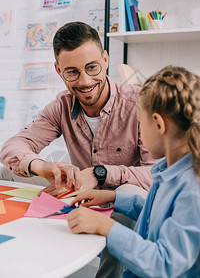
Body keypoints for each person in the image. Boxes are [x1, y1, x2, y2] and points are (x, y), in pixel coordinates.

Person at [0, 21, 154, 278]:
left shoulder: (138, 103)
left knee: (127, 195)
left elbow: (157, 174)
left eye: (92, 67)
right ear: (59, 70)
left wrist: (101, 173)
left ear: (105, 59)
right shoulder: (62, 105)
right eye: (72, 72)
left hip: (125, 196)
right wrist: (42, 166)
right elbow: (12, 146)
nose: (85, 81)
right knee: (6, 172)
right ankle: (20, 251)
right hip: (79, 187)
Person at [67, 66, 200, 277]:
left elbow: (164, 265)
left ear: (158, 124)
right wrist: (113, 196)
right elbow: (153, 214)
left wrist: (106, 227)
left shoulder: (192, 190)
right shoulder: (167, 170)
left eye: (140, 122)